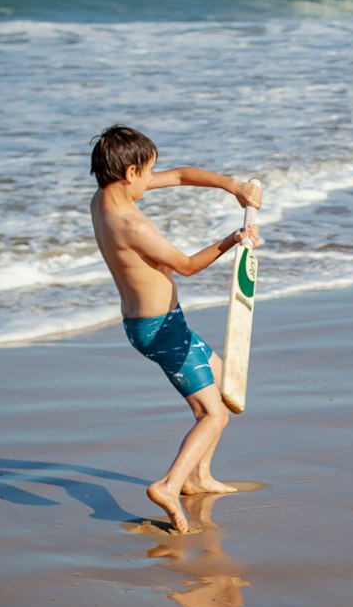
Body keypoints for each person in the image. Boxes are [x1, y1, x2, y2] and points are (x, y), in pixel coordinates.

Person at [89, 124, 260, 535]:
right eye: (148, 173)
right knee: (214, 414)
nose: (153, 180)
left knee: (222, 386)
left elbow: (181, 175)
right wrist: (234, 239)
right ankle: (168, 485)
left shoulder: (103, 198)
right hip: (161, 329)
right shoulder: (131, 224)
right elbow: (185, 266)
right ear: (130, 173)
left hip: (155, 323)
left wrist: (232, 186)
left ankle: (199, 477)